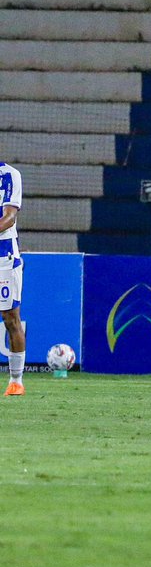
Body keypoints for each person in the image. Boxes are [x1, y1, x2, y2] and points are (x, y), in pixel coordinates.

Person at [1, 161, 25, 397]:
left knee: (10, 318)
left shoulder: (9, 175)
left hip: (4, 257)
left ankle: (16, 381)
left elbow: (9, 217)